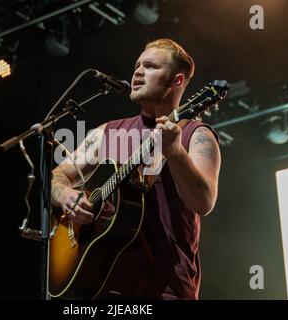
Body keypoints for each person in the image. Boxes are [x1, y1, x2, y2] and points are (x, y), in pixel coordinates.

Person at [50, 38, 221, 300]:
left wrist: (174, 152)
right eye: (137, 65)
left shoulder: (196, 136)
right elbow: (57, 176)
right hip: (99, 287)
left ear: (177, 81)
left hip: (166, 290)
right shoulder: (107, 132)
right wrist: (66, 196)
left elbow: (203, 202)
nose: (138, 71)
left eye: (151, 66)